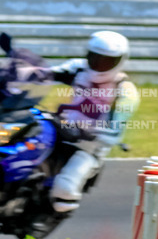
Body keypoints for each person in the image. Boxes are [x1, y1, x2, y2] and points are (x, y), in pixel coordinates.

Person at [41, 31, 139, 213]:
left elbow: (115, 130)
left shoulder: (125, 90)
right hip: (60, 127)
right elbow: (46, 74)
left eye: (107, 61)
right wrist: (9, 71)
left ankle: (47, 214)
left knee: (65, 189)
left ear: (120, 60)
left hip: (89, 146)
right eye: (95, 58)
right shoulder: (78, 68)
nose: (100, 65)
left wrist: (90, 134)